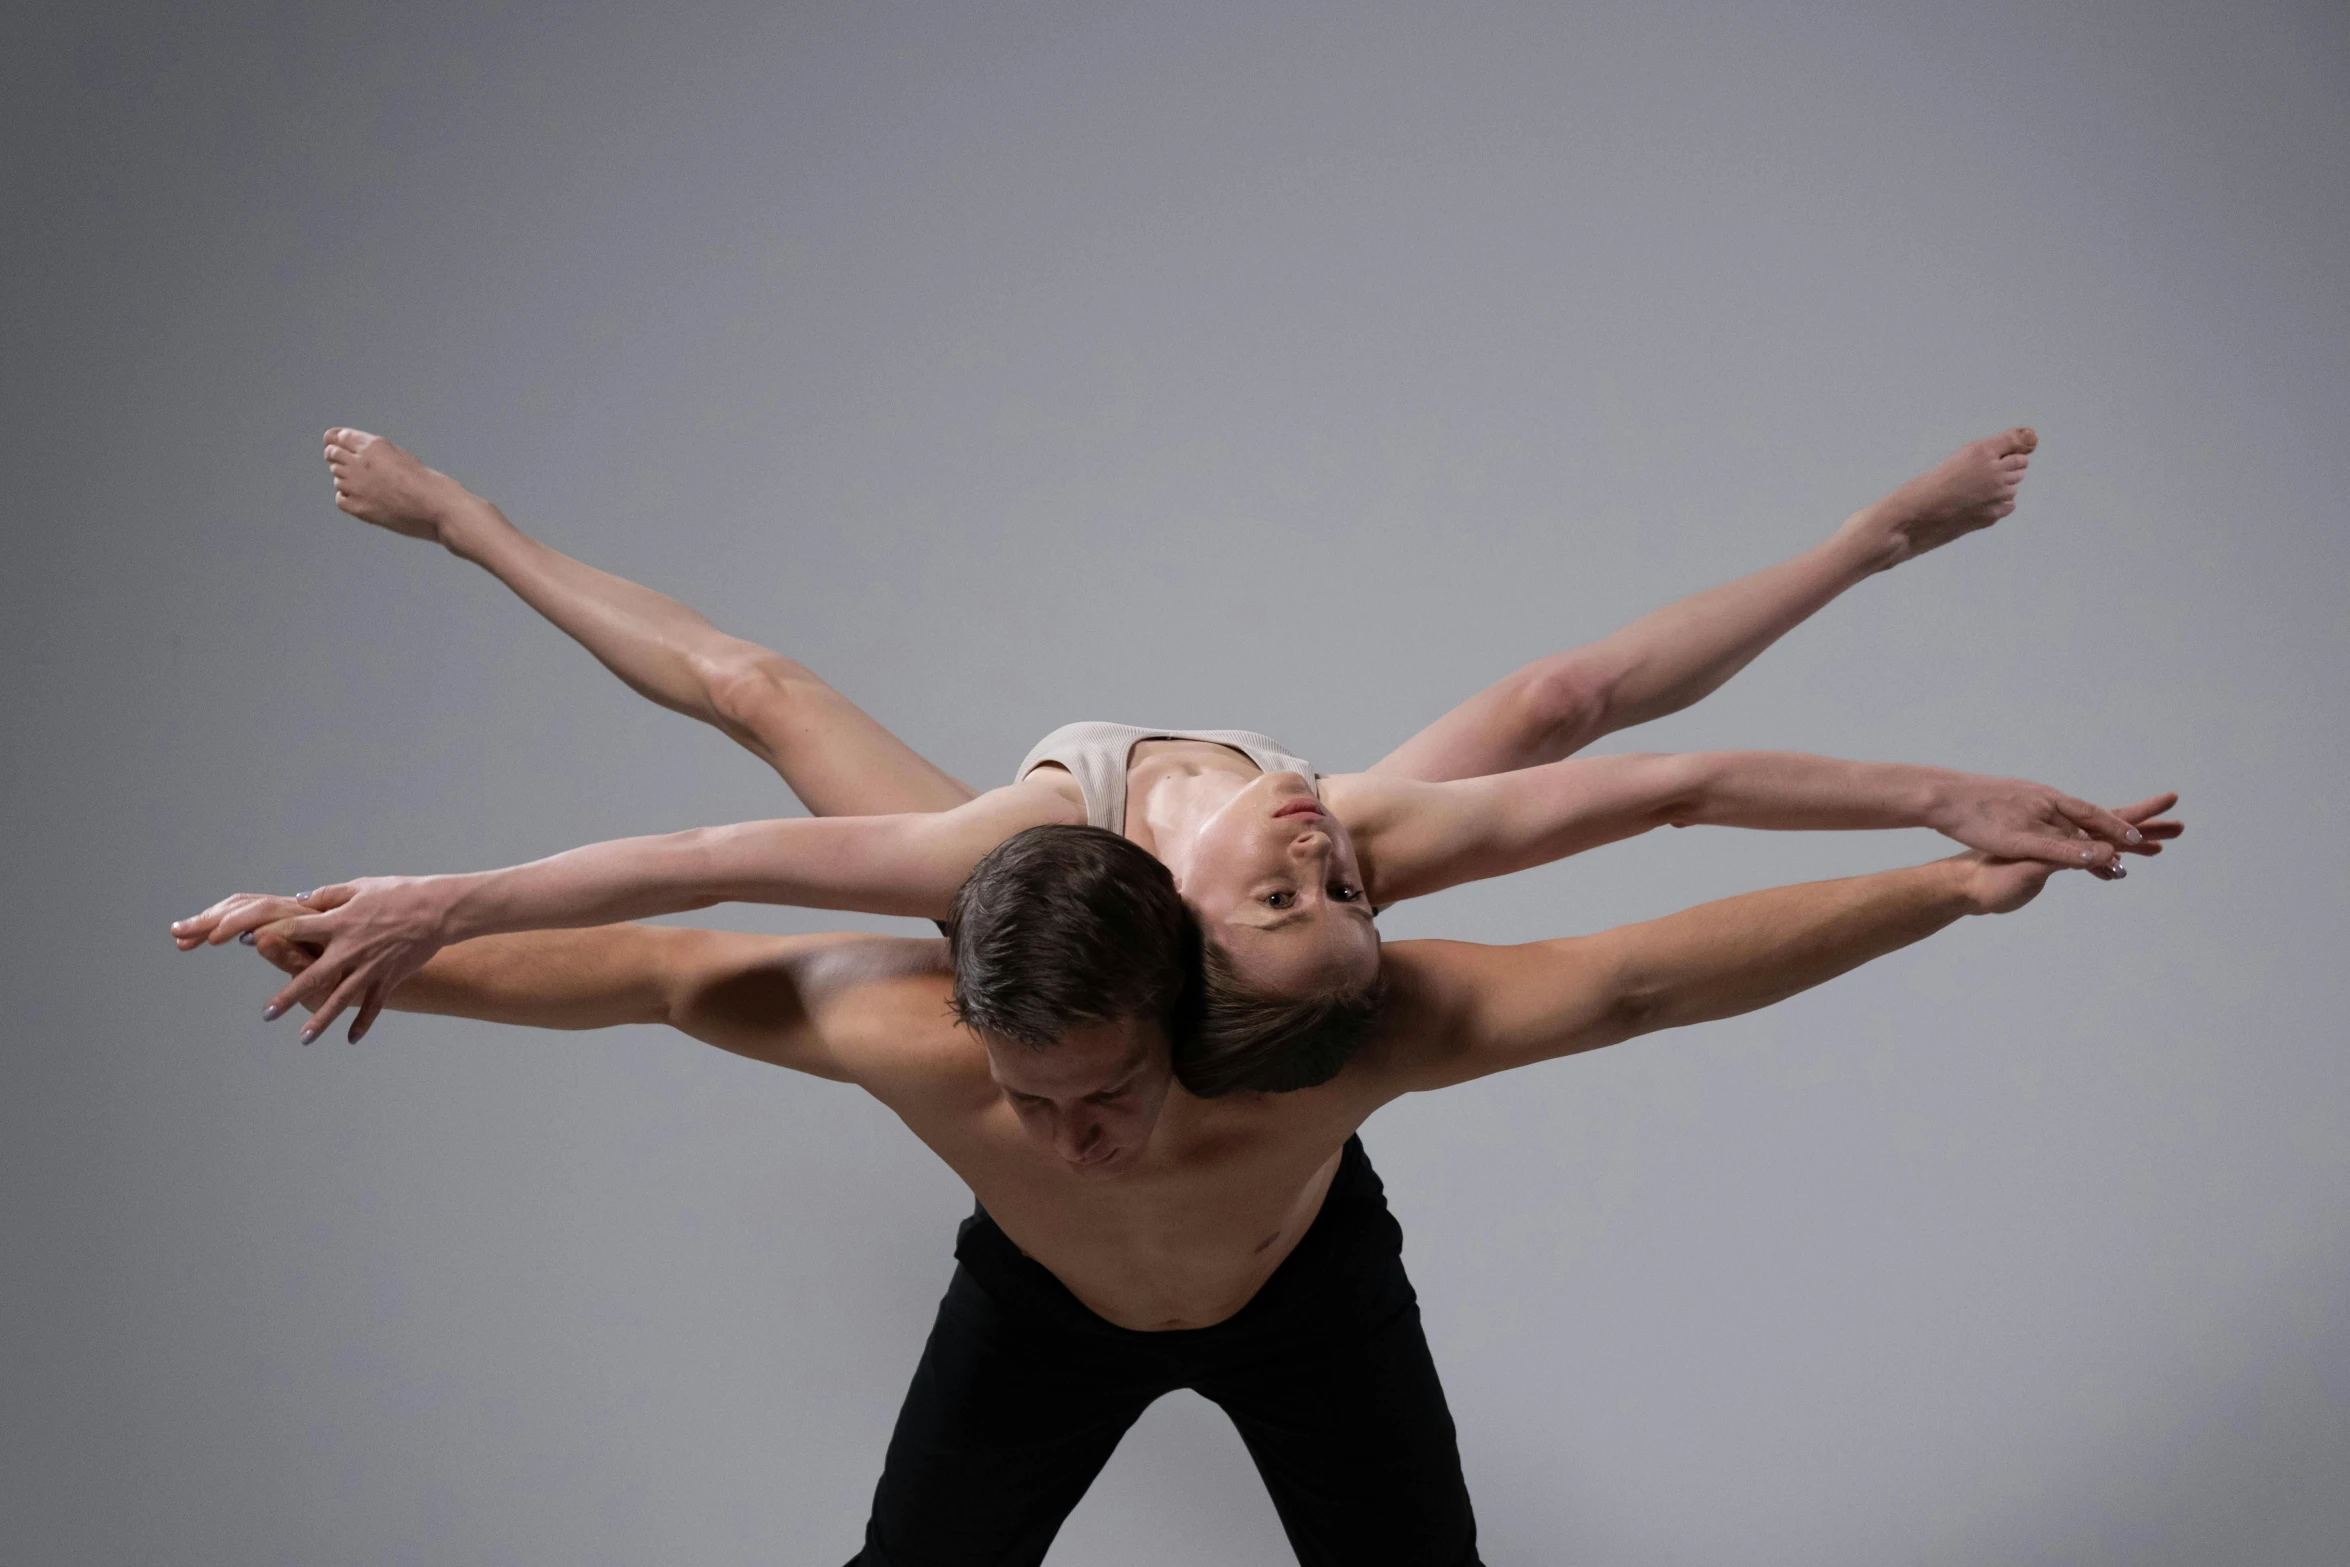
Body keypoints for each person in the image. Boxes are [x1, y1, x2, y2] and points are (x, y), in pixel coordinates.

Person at [199, 813, 2167, 1566]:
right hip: (1035, 1321)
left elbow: (1653, 973)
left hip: (1304, 1303)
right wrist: (372, 948)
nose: (1065, 1136)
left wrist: (1942, 882)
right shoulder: (904, 1036)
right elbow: (637, 970)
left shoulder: (1345, 1029)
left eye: (1103, 1094)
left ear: (1185, 1014)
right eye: (1021, 1096)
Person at [173, 426, 2175, 1058]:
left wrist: (443, 904)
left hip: (1057, 807)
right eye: (1329, 882)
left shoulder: (1015, 864)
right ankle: (1865, 537)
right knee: (1571, 706)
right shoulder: (1372, 833)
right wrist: (1938, 786)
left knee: (755, 687)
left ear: (1180, 922)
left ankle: (470, 524)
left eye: (1291, 885)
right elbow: (1669, 786)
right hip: (1110, 829)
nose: (1311, 834)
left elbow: (697, 863)